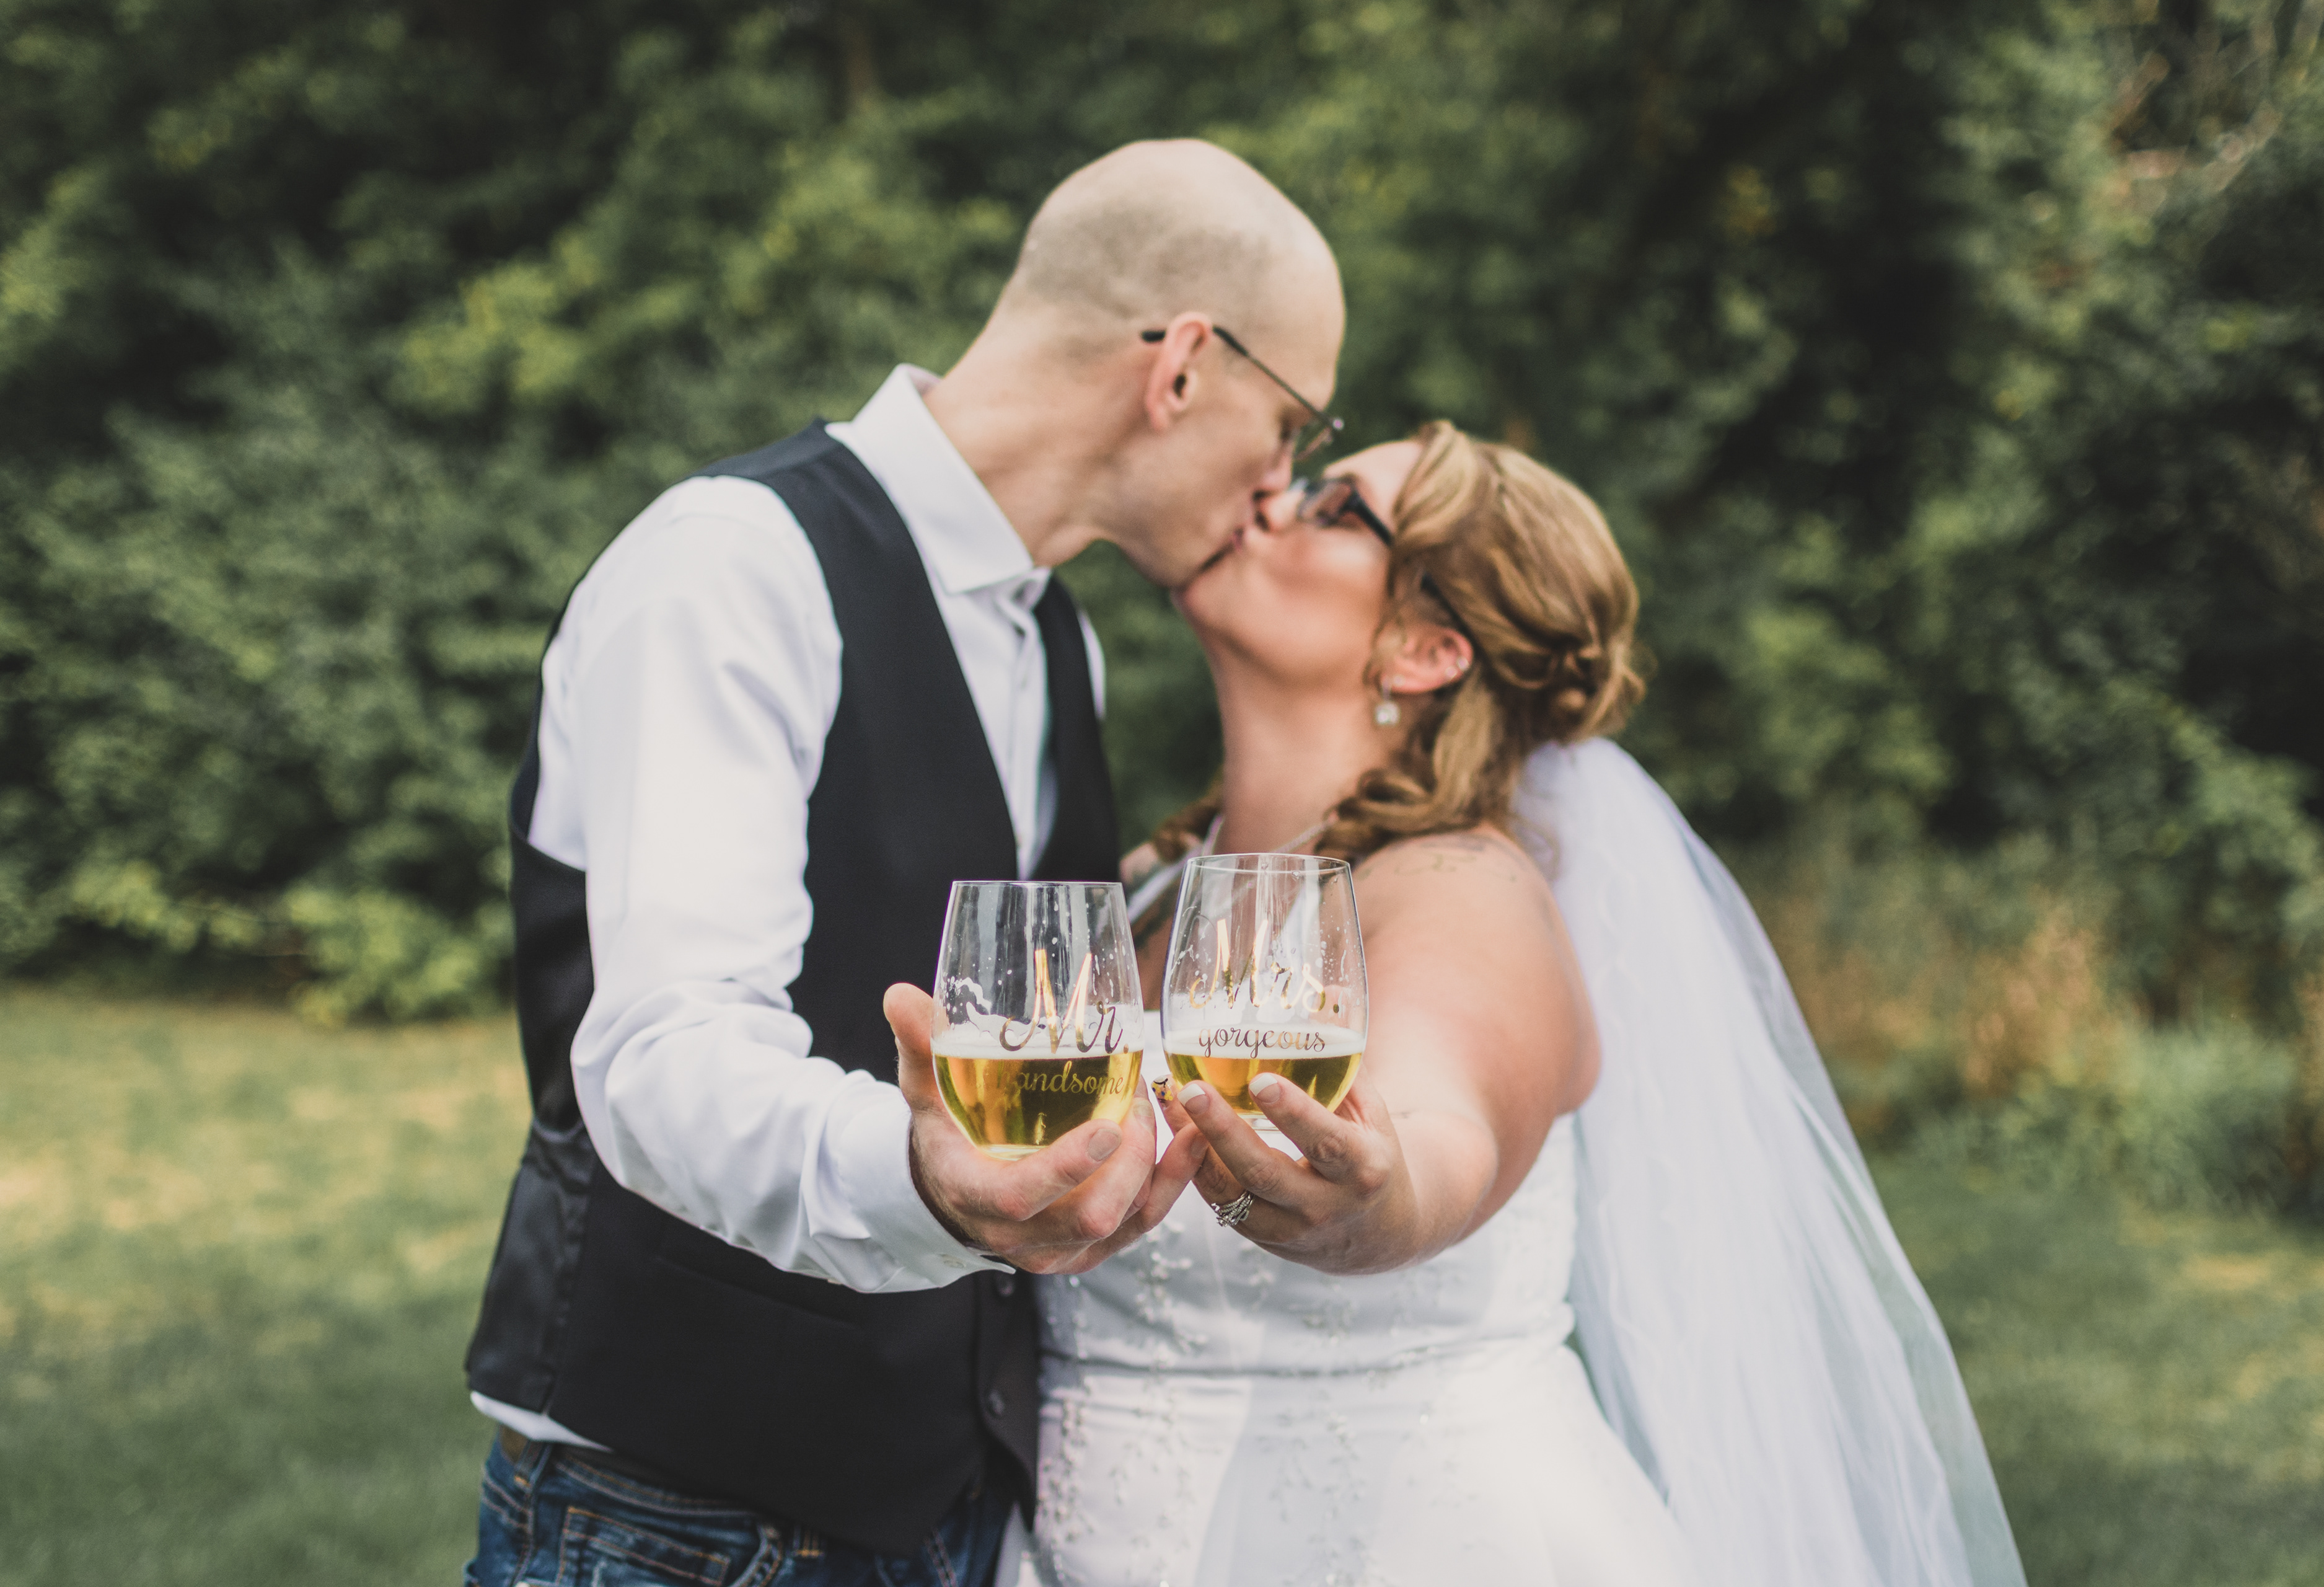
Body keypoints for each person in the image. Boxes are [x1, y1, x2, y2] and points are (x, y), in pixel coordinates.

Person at [461, 139, 1336, 1587]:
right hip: (678, 1519)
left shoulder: (1061, 641)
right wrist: (923, 1175)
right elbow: (666, 1054)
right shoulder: (732, 567)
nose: (1279, 483)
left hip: (944, 1506)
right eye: (1291, 421)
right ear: (1183, 368)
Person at [993, 425, 2029, 1586]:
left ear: (1427, 650)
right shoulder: (1153, 891)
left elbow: (1443, 1126)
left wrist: (1381, 1202)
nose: (1274, 494)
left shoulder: (1464, 889)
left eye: (1336, 507)